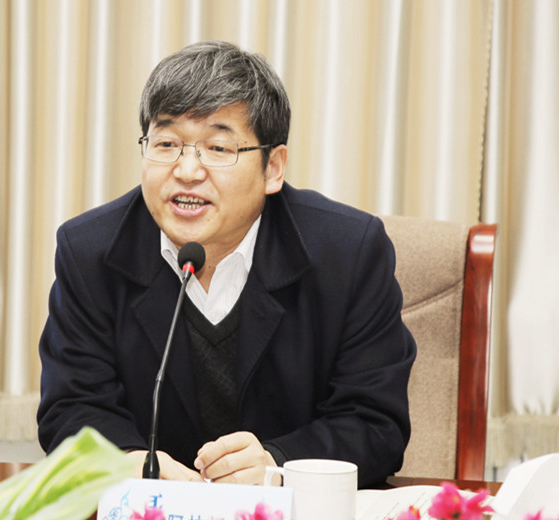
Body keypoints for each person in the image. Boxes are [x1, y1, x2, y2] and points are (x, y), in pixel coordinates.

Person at [37, 40, 416, 488]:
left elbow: (375, 422)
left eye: (218, 148)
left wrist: (278, 464)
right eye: (167, 143)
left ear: (273, 168)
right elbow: (70, 408)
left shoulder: (347, 253)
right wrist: (131, 464)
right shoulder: (90, 252)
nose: (187, 171)